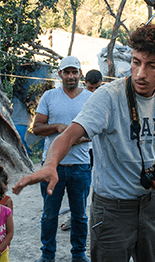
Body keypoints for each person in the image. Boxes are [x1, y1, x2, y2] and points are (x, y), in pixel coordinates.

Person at [13, 23, 155, 262]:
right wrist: (51, 163)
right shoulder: (107, 96)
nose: (140, 73)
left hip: (148, 207)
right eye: (136, 62)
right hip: (111, 210)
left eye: (152, 66)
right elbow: (68, 135)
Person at [29, 56, 93, 262]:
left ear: (80, 73)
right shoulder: (49, 96)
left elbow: (96, 130)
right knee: (49, 214)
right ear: (60, 75)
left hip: (81, 166)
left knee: (80, 214)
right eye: (66, 72)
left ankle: (79, 253)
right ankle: (47, 254)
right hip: (52, 166)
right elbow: (36, 128)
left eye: (74, 72)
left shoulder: (90, 98)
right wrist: (56, 127)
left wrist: (78, 138)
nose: (71, 76)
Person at [60, 69, 103, 232]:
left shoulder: (104, 99)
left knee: (97, 185)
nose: (93, 92)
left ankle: (97, 218)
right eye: (90, 88)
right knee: (80, 188)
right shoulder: (80, 100)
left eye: (96, 88)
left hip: (97, 149)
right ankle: (74, 216)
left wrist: (80, 139)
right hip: (82, 153)